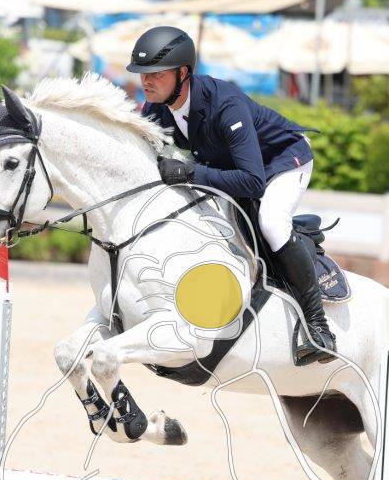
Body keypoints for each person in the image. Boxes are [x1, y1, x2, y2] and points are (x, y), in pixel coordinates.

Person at [127, 25, 335, 365]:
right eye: (142, 73)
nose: (146, 81)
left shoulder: (225, 104)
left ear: (183, 73)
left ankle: (318, 328)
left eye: (157, 74)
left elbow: (252, 182)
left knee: (271, 222)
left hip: (284, 161)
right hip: (238, 167)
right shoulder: (156, 109)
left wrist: (190, 173)